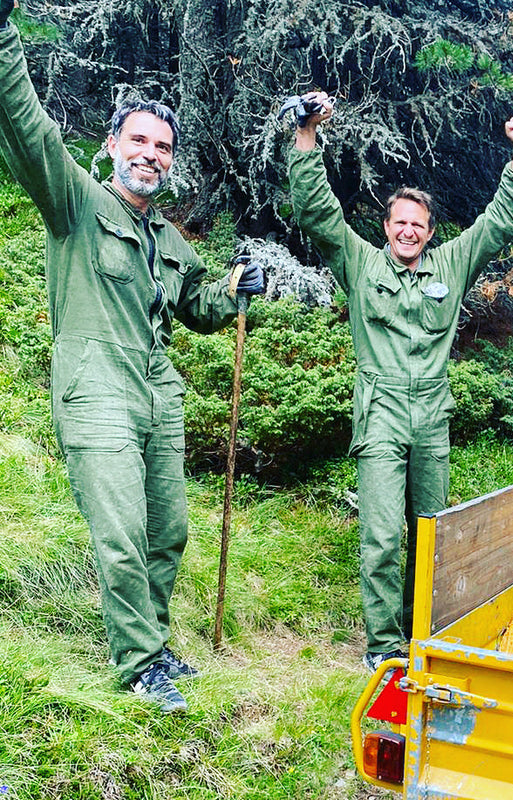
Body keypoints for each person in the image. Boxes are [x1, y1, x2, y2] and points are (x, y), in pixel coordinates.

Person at [0, 3, 265, 713]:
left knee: (166, 531)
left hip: (157, 390)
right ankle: (140, 663)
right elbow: (30, 131)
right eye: (139, 139)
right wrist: (3, 38)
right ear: (113, 144)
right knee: (119, 532)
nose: (151, 153)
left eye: (163, 146)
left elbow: (199, 306)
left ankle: (153, 637)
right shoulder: (76, 204)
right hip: (96, 388)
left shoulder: (167, 238)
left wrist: (235, 288)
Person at [288, 90, 513, 672]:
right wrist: (306, 135)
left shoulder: (451, 263)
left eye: (417, 225)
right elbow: (318, 212)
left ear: (429, 231)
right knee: (381, 535)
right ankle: (382, 646)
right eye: (399, 223)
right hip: (379, 411)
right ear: (386, 227)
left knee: (431, 535)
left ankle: (419, 634)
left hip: (431, 415)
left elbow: (498, 223)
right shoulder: (360, 262)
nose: (408, 232)